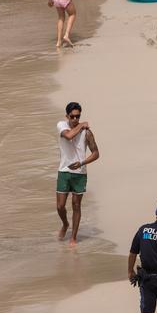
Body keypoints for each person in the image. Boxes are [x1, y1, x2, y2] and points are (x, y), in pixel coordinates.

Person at [56, 101, 99, 244]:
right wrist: (81, 125)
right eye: (72, 116)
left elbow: (96, 153)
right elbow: (69, 136)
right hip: (64, 171)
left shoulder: (87, 132)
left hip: (80, 173)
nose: (75, 119)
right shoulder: (61, 125)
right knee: (60, 206)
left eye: (78, 117)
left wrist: (81, 163)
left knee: (76, 205)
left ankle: (73, 237)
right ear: (67, 116)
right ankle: (65, 224)